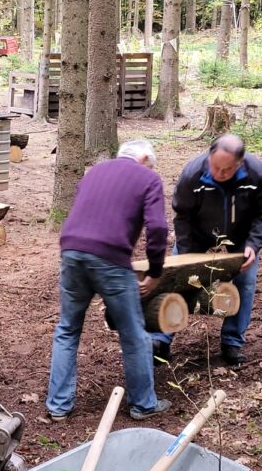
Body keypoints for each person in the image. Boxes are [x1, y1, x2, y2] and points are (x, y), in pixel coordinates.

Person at [46, 140, 172, 421]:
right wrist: (155, 271)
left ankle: (58, 406)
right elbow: (158, 228)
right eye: (151, 165)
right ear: (144, 158)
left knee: (67, 329)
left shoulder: (95, 172)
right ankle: (143, 404)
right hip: (111, 258)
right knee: (134, 333)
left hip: (71, 251)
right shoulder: (148, 178)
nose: (152, 170)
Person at [151, 134, 262, 366]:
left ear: (239, 163)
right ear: (209, 156)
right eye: (215, 167)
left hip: (241, 234)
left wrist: (253, 244)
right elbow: (182, 215)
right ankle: (160, 340)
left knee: (245, 281)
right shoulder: (193, 173)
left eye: (226, 170)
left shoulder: (256, 173)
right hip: (198, 231)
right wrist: (186, 255)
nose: (219, 173)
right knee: (177, 278)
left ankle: (232, 342)